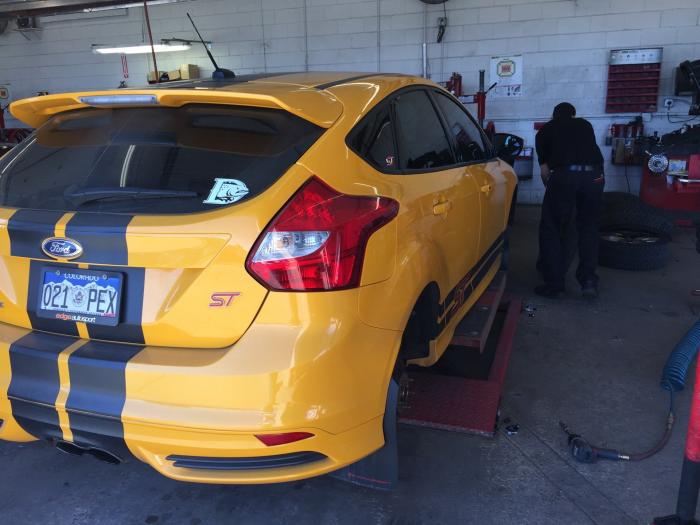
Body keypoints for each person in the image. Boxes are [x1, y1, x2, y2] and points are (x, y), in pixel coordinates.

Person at [534, 102, 605, 299]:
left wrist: (553, 191)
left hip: (563, 176)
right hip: (594, 177)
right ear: (573, 114)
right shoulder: (585, 125)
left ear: (553, 115)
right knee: (589, 228)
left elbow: (545, 172)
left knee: (552, 229)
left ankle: (554, 285)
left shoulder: (545, 131)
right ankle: (588, 281)